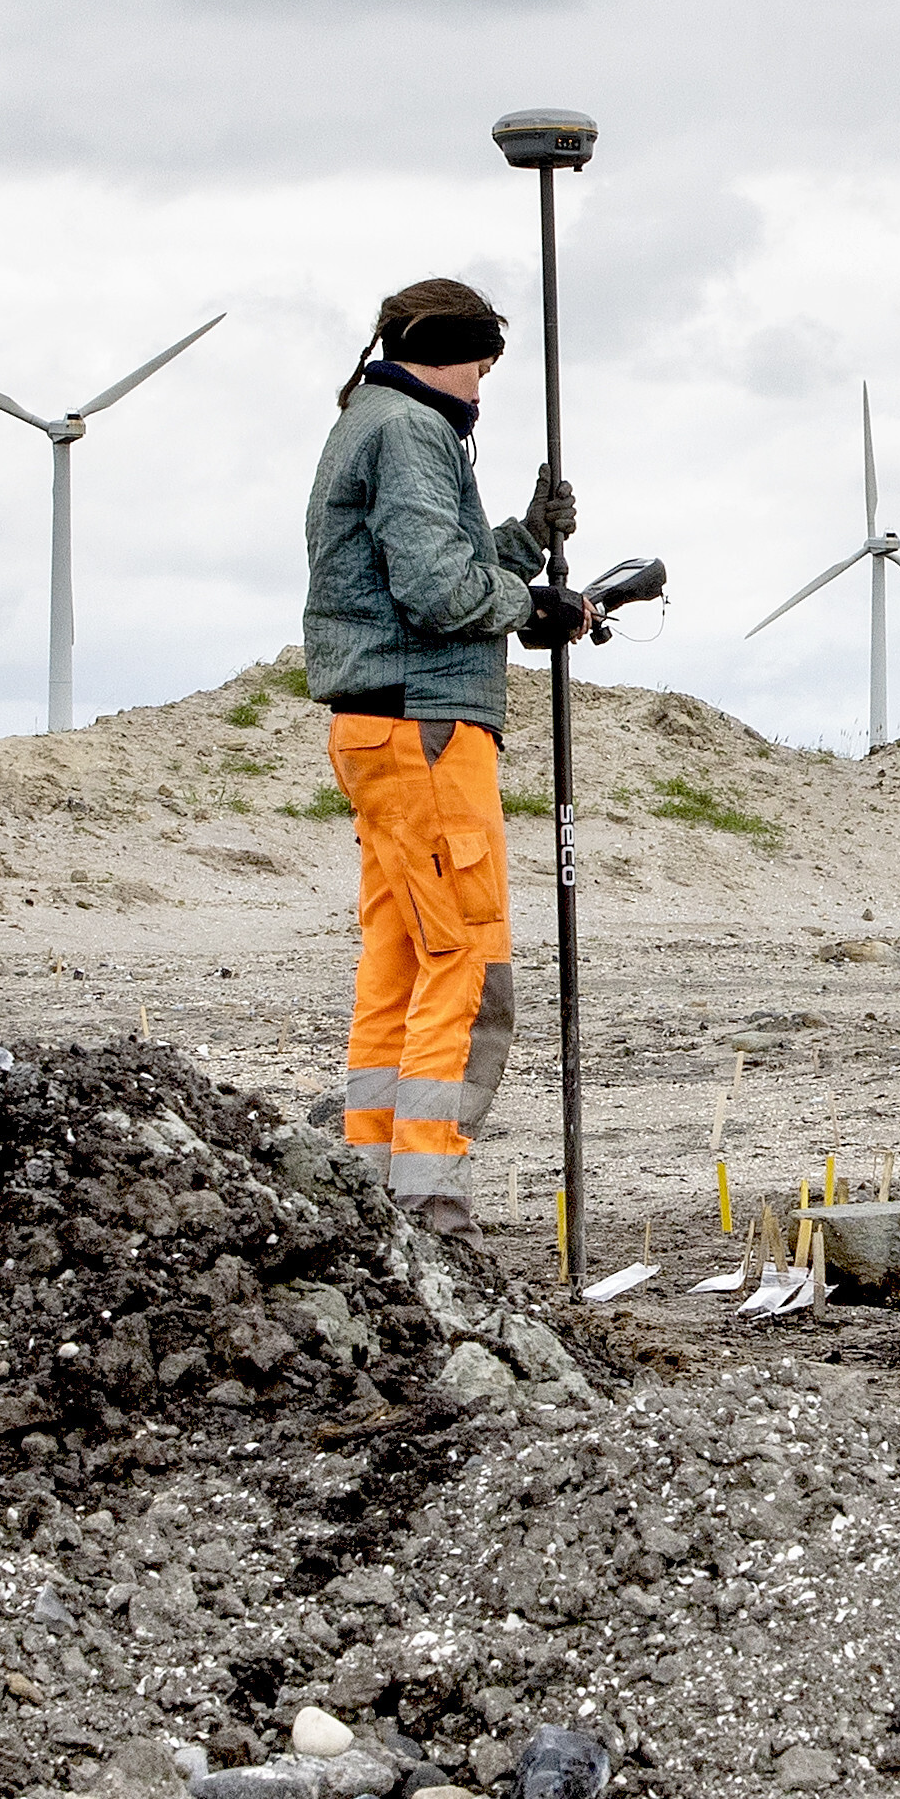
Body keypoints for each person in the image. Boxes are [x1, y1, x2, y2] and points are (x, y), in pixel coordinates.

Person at [307, 277, 585, 1235]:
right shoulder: (411, 430)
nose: (480, 390)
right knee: (467, 958)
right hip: (426, 726)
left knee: (399, 958)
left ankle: (368, 1182)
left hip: (377, 726)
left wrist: (525, 542)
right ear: (448, 352)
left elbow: (440, 563)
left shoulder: (371, 420)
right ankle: (428, 1198)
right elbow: (437, 590)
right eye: (481, 369)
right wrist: (535, 606)